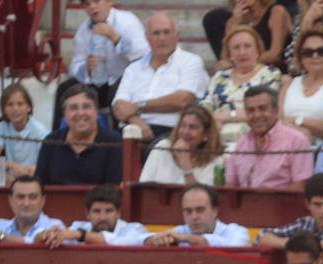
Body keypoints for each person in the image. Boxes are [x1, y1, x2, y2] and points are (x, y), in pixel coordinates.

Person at [111, 14, 210, 143]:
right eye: (156, 33)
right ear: (147, 37)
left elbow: (182, 100)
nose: (162, 38)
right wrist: (135, 121)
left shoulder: (191, 62)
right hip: (131, 129)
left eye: (166, 32)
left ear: (177, 35)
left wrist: (138, 106)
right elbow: (119, 106)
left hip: (171, 132)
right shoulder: (133, 68)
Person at [63, 0, 150, 121]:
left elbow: (143, 53)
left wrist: (115, 37)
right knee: (64, 89)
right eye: (87, 4)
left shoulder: (127, 21)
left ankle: (116, 136)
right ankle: (60, 137)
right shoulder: (83, 30)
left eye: (96, 1)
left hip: (125, 80)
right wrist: (86, 68)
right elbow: (75, 66)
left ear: (110, 1)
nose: (92, 7)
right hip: (98, 81)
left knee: (117, 91)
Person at [201, 27, 283, 144]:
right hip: (217, 136)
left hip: (255, 138)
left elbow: (262, 112)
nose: (242, 52)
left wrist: (221, 116)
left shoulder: (270, 75)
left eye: (247, 46)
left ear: (257, 50)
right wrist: (213, 121)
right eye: (236, 48)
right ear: (230, 55)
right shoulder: (219, 77)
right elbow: (204, 109)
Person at [225, 86, 316, 189]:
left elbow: (300, 186)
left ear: (276, 111)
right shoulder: (242, 143)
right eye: (251, 110)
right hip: (245, 203)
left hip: (282, 203)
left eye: (262, 108)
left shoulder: (297, 141)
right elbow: (230, 186)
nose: (257, 115)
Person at [35, 85, 124, 186]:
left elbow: (114, 189)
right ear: (64, 114)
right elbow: (39, 186)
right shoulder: (50, 141)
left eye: (86, 107)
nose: (80, 113)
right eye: (73, 108)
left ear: (96, 111)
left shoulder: (114, 142)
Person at [280, 29, 323, 144]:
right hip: (285, 145)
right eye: (308, 52)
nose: (315, 56)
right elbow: (277, 121)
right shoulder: (289, 84)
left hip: (320, 149)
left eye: (322, 51)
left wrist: (298, 121)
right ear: (301, 59)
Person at [38, 184, 150, 247]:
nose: (102, 217)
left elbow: (122, 242)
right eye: (97, 211)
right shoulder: (77, 227)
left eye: (109, 211)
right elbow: (52, 237)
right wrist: (48, 235)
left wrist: (81, 235)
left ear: (118, 213)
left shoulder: (133, 229)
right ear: (87, 214)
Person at [140, 105, 227, 185]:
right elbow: (144, 184)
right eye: (183, 126)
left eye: (193, 127)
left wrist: (186, 166)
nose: (185, 132)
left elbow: (200, 198)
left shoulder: (216, 161)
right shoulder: (162, 146)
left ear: (206, 134)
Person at [143, 184, 252, 247]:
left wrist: (187, 238)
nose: (194, 216)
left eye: (200, 210)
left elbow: (236, 247)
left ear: (215, 211)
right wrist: (154, 241)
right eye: (188, 211)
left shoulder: (236, 231)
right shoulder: (178, 232)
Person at [0, 84, 49, 184]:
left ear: (29, 107)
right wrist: (12, 165)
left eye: (20, 104)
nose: (15, 109)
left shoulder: (40, 130)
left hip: (32, 173)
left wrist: (26, 169)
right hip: (11, 175)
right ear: (4, 109)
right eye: (10, 104)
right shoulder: (2, 126)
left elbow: (46, 163)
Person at [204, 0, 293, 70]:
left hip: (275, 69)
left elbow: (274, 54)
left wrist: (241, 61)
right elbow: (225, 57)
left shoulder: (276, 11)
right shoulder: (233, 21)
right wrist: (235, 22)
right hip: (245, 71)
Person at [0, 177, 64, 243]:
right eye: (20, 197)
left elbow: (33, 243)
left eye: (32, 197)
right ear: (10, 200)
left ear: (43, 200)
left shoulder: (55, 226)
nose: (26, 203)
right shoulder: (0, 226)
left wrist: (0, 236)